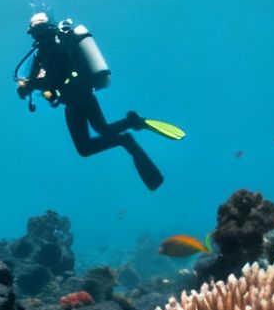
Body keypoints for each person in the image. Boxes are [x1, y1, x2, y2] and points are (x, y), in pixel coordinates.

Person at [14, 12, 178, 191]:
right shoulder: (42, 54)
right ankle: (131, 127)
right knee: (99, 133)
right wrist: (26, 86)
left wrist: (32, 84)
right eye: (35, 33)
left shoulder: (58, 47)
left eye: (40, 31)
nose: (38, 36)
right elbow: (38, 79)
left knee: (90, 143)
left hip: (79, 96)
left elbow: (57, 75)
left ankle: (128, 136)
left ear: (48, 29)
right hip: (75, 99)